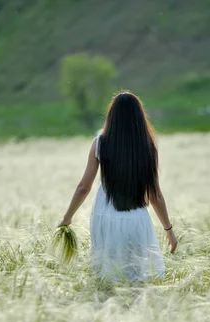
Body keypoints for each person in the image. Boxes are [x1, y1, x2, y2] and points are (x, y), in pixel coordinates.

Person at [58, 91, 177, 282]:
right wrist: (169, 231)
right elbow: (155, 196)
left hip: (105, 219)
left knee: (108, 276)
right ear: (139, 117)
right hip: (137, 220)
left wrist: (67, 218)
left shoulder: (100, 143)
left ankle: (108, 308)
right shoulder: (148, 147)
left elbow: (83, 187)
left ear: (111, 116)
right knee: (138, 277)